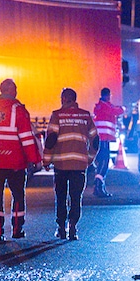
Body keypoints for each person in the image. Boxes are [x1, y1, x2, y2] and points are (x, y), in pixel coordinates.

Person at [0, 78, 41, 242]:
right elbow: (26, 138)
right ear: (11, 91)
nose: (16, 91)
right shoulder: (19, 110)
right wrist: (35, 159)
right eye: (15, 89)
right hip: (15, 162)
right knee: (18, 194)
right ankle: (17, 229)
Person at [43, 88, 99, 240]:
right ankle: (73, 227)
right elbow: (95, 140)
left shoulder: (57, 115)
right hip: (79, 165)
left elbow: (51, 140)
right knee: (76, 197)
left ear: (64, 99)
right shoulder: (85, 116)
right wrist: (89, 158)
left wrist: (47, 160)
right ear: (74, 99)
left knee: (61, 197)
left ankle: (61, 228)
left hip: (61, 164)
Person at [92, 87, 125, 198]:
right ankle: (98, 186)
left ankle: (99, 186)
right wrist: (122, 108)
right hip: (103, 138)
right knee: (104, 162)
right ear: (107, 95)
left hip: (102, 138)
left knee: (103, 161)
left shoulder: (101, 105)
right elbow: (116, 111)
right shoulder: (105, 106)